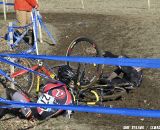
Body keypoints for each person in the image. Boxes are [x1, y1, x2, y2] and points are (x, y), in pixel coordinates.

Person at [0, 80, 73, 120]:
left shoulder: (55, 86)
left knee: (7, 91)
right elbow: (67, 114)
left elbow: (44, 88)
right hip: (43, 117)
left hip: (32, 112)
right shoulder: (69, 98)